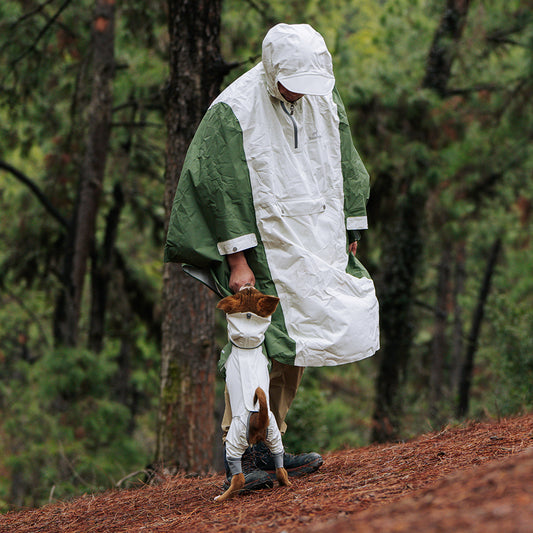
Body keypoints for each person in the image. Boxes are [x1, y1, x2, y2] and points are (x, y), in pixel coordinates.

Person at [164, 23, 380, 491]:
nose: (300, 94)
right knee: (254, 344)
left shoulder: (322, 95)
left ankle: (269, 443)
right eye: (291, 84)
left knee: (295, 342)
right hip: (256, 244)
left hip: (307, 237)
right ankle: (242, 452)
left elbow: (345, 158)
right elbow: (221, 188)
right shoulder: (234, 109)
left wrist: (350, 226)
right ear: (272, 70)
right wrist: (238, 261)